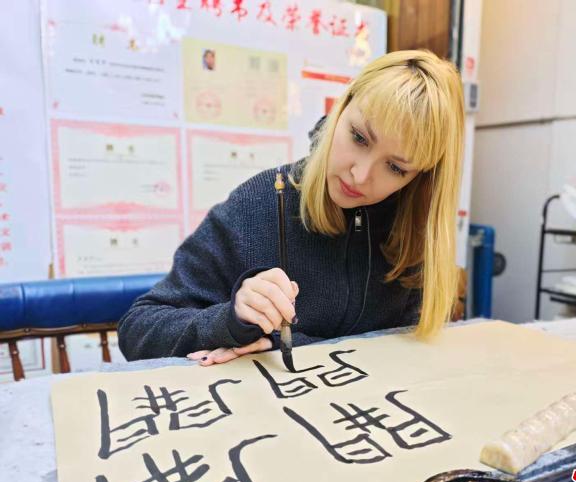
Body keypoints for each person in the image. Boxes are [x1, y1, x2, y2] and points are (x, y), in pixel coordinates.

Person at [118, 49, 465, 366]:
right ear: (340, 109)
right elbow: (138, 329)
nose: (360, 175)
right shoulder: (257, 204)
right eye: (359, 137)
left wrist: (286, 343)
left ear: (419, 177)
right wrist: (231, 321)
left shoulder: (412, 228)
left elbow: (403, 348)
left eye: (396, 168)